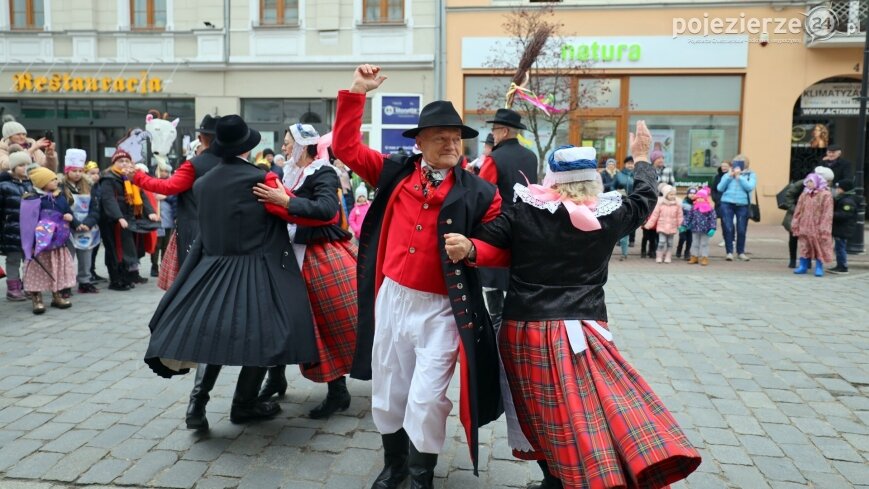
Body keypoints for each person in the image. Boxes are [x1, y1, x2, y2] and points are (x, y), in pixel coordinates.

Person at [444, 128, 701, 489]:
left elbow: (485, 240)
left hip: (526, 329)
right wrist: (641, 156)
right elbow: (645, 198)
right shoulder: (611, 214)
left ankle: (554, 478)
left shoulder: (524, 212)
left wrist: (468, 247)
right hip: (585, 328)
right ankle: (605, 468)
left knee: (538, 411)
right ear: (594, 179)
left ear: (552, 177)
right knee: (593, 408)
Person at [332, 64, 503, 488]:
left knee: (426, 397)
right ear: (420, 142)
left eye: (456, 138)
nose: (451, 144)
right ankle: (394, 465)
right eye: (441, 137)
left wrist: (474, 249)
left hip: (443, 307)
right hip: (393, 298)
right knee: (389, 390)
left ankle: (420, 474)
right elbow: (346, 147)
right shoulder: (394, 173)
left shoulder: (481, 192)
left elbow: (502, 244)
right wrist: (358, 92)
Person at [144, 114, 318, 427]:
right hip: (258, 270)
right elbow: (295, 215)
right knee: (265, 338)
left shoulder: (203, 184)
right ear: (247, 147)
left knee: (213, 335)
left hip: (213, 269)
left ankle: (196, 404)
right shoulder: (261, 179)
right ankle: (244, 404)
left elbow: (204, 232)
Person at [252, 123, 359, 420]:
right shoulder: (289, 172)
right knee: (278, 319)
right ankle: (276, 376)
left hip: (316, 255)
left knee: (322, 321)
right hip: (286, 255)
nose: (284, 148)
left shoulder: (322, 171)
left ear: (302, 145)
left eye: (288, 143)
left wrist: (286, 201)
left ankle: (338, 390)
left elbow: (327, 210)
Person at [478, 108, 538, 329]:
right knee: (518, 283)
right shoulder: (531, 157)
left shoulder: (493, 158)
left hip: (498, 229)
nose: (492, 133)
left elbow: (482, 194)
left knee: (493, 288)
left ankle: (497, 331)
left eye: (494, 129)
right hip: (527, 229)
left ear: (504, 131)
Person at [98, 150, 158, 291]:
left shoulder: (131, 178)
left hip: (129, 218)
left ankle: (126, 277)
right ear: (114, 163)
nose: (124, 163)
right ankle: (115, 280)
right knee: (115, 250)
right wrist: (118, 217)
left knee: (128, 249)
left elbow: (142, 196)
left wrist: (151, 213)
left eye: (127, 161)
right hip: (112, 221)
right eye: (120, 161)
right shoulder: (109, 178)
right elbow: (109, 200)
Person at [20, 167, 77, 314]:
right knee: (36, 270)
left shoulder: (60, 197)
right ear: (42, 182)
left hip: (58, 241)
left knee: (56, 268)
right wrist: (30, 244)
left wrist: (70, 218)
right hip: (39, 245)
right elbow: (27, 224)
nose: (56, 181)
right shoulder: (32, 199)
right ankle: (36, 298)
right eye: (52, 179)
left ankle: (56, 294)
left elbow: (68, 212)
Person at [61, 149, 101, 294]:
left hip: (87, 228)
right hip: (69, 228)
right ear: (67, 171)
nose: (77, 173)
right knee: (68, 258)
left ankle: (85, 281)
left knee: (86, 256)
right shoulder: (61, 187)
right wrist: (76, 224)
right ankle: (66, 284)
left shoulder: (90, 186)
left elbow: (95, 207)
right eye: (74, 170)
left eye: (80, 170)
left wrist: (88, 223)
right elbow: (63, 207)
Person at [0, 149, 34, 301]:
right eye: (21, 165)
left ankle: (28, 285)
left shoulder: (31, 184)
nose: (25, 168)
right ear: (13, 168)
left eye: (27, 164)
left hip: (30, 229)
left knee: (28, 259)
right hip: (11, 229)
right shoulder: (4, 186)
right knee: (13, 258)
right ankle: (13, 288)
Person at [791, 172, 834, 277]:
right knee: (804, 246)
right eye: (808, 181)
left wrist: (824, 228)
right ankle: (803, 266)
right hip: (805, 225)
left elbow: (827, 213)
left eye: (811, 181)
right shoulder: (804, 194)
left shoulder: (825, 194)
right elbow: (798, 210)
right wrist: (796, 223)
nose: (809, 184)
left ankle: (819, 267)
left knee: (819, 246)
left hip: (818, 226)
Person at [716, 154, 756, 261]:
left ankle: (740, 252)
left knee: (741, 229)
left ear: (745, 165)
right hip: (727, 203)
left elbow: (749, 187)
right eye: (735, 163)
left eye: (740, 163)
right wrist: (730, 176)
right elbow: (720, 188)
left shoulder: (750, 175)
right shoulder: (728, 174)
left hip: (742, 204)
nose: (737, 165)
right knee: (728, 227)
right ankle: (729, 252)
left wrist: (740, 177)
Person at [645, 184, 683, 263]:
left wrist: (681, 225)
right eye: (671, 194)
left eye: (674, 194)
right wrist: (649, 224)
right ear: (666, 195)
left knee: (670, 243)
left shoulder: (677, 205)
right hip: (662, 227)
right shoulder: (660, 204)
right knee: (661, 242)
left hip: (672, 227)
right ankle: (659, 256)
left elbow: (680, 216)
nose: (673, 196)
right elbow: (655, 215)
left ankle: (668, 257)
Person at [150, 163, 177, 278]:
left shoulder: (171, 184)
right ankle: (154, 266)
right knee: (156, 245)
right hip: (157, 219)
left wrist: (166, 196)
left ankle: (164, 266)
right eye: (162, 171)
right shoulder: (153, 183)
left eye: (166, 171)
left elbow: (176, 198)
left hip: (168, 219)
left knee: (166, 246)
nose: (164, 173)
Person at [683, 187, 717, 266]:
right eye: (698, 198)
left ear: (705, 199)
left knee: (704, 244)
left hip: (706, 230)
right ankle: (694, 256)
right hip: (695, 229)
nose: (699, 199)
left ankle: (704, 257)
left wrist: (712, 228)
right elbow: (689, 217)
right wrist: (684, 225)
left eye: (702, 198)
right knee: (695, 243)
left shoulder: (710, 209)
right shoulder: (694, 208)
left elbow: (713, 219)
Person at [84, 161, 106, 282]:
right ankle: (86, 272)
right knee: (87, 249)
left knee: (95, 247)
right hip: (88, 221)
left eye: (97, 173)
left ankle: (91, 270)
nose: (96, 176)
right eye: (92, 173)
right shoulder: (86, 186)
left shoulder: (99, 186)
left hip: (98, 220)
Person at [830, 180, 858, 274]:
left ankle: (843, 267)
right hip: (840, 228)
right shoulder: (843, 198)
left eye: (839, 188)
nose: (837, 189)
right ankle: (839, 265)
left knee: (840, 248)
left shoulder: (847, 201)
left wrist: (831, 214)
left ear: (844, 189)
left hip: (843, 229)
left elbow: (845, 215)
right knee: (838, 247)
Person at [615, 156, 636, 250]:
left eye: (632, 163)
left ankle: (632, 240)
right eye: (628, 163)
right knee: (621, 220)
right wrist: (618, 192)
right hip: (622, 201)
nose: (630, 165)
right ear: (625, 164)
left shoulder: (637, 175)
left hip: (633, 201)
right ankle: (619, 239)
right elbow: (612, 186)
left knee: (633, 220)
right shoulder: (619, 174)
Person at [676, 187, 697, 260]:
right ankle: (679, 249)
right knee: (682, 238)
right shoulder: (683, 203)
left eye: (694, 193)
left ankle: (687, 252)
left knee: (690, 240)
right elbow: (679, 214)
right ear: (687, 194)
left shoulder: (697, 204)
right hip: (683, 225)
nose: (692, 195)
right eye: (690, 193)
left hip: (692, 226)